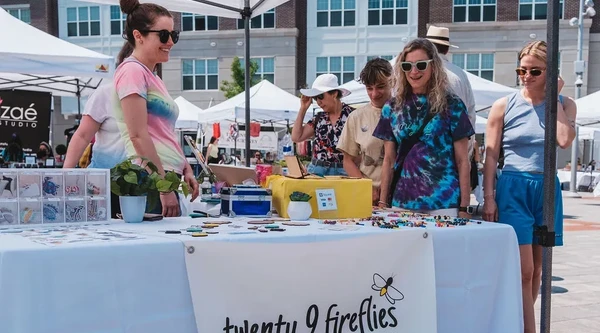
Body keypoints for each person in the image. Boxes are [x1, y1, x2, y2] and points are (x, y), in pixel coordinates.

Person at [482, 40, 577, 333]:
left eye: (535, 71)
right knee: (523, 271)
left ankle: (522, 321)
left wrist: (556, 98)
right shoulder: (503, 105)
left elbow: (564, 140)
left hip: (546, 189)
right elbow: (491, 154)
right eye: (522, 70)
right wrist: (489, 197)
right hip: (513, 187)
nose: (526, 77)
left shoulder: (564, 104)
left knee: (538, 270)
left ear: (551, 73)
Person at [113, 0, 198, 217]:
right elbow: (138, 135)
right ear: (138, 35)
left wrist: (185, 166)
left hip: (162, 176)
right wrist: (163, 185)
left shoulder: (150, 75)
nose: (170, 41)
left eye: (173, 35)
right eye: (163, 35)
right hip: (150, 179)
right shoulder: (132, 71)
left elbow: (163, 132)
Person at [374, 38, 474, 217]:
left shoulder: (452, 105)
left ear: (433, 66)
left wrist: (464, 207)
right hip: (402, 202)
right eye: (407, 66)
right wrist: (383, 202)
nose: (413, 71)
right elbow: (388, 160)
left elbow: (462, 160)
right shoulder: (392, 107)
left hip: (443, 202)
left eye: (420, 65)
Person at [425, 26, 478, 185]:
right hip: (454, 157)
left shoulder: (418, 71)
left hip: (422, 159)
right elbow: (470, 118)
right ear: (447, 50)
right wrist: (466, 158)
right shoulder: (460, 75)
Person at [337, 58, 392, 205]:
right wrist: (366, 186)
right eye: (369, 88)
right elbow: (348, 161)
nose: (374, 94)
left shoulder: (404, 112)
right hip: (368, 196)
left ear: (392, 82)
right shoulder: (356, 117)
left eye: (380, 87)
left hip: (402, 194)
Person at [291, 74, 353, 176]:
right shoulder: (319, 118)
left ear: (334, 94)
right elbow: (296, 137)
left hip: (344, 170)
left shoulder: (352, 116)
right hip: (318, 169)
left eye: (320, 96)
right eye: (315, 98)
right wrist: (303, 108)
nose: (318, 102)